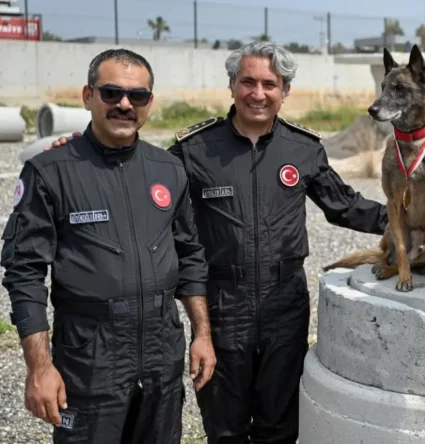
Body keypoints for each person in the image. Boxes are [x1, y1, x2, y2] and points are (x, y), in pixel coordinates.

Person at [46, 41, 388, 443]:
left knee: (280, 426)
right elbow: (137, 170)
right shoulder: (194, 150)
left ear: (285, 92)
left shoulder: (304, 148)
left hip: (286, 306)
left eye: (269, 84)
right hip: (222, 308)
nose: (258, 94)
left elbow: (345, 207)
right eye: (248, 82)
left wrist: (413, 223)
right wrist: (81, 152)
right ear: (232, 85)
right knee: (224, 428)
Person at [2, 48, 215, 443]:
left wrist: (202, 334)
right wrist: (39, 368)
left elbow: (190, 256)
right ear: (88, 96)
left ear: (150, 102)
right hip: (90, 360)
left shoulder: (168, 170)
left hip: (161, 357)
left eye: (138, 96)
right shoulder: (50, 172)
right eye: (111, 92)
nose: (124, 104)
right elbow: (24, 273)